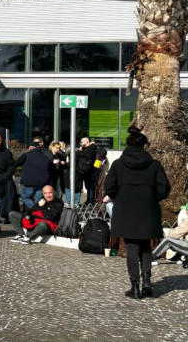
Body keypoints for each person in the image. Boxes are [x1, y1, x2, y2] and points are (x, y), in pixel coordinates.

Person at [103, 127, 170, 299]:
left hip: (125, 209)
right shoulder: (154, 165)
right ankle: (146, 281)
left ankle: (134, 286)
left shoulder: (118, 164)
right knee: (146, 245)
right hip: (147, 209)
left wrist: (121, 195)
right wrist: (151, 197)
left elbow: (109, 188)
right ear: (144, 146)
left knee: (132, 246)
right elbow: (164, 188)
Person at [16, 140, 52, 210]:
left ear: (31, 147)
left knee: (24, 197)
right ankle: (37, 214)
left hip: (29, 183)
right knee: (37, 200)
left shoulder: (27, 155)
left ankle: (35, 209)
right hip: (41, 183)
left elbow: (17, 163)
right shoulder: (45, 157)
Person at [74, 137, 98, 206]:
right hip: (85, 171)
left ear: (87, 142)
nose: (80, 143)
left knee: (90, 187)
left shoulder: (91, 149)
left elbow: (88, 157)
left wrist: (80, 153)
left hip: (91, 171)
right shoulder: (85, 149)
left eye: (82, 142)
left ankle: (90, 201)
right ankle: (88, 200)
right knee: (88, 186)